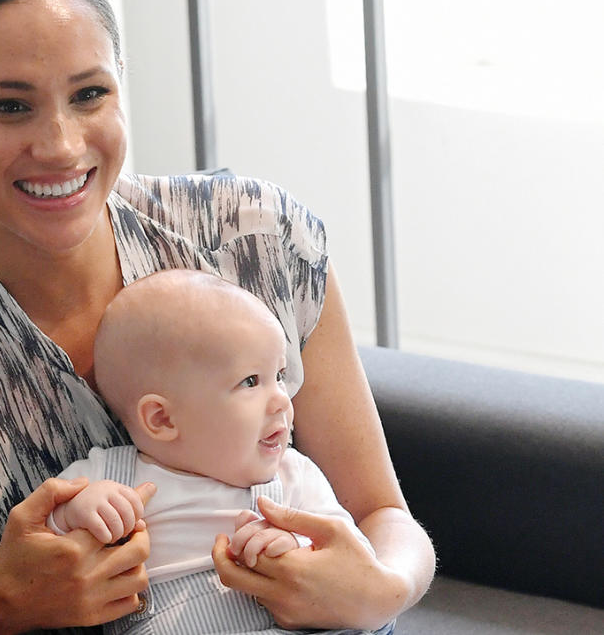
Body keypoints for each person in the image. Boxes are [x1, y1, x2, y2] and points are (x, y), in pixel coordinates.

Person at [0, 0, 434, 633]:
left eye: (90, 94)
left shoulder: (256, 239)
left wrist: (382, 587)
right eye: (9, 105)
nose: (62, 145)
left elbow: (382, 515)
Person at [48, 269, 393, 635]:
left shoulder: (294, 476)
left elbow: (353, 557)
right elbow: (40, 543)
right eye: (250, 381)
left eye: (279, 374)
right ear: (162, 418)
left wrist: (297, 544)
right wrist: (75, 512)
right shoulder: (107, 478)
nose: (281, 398)